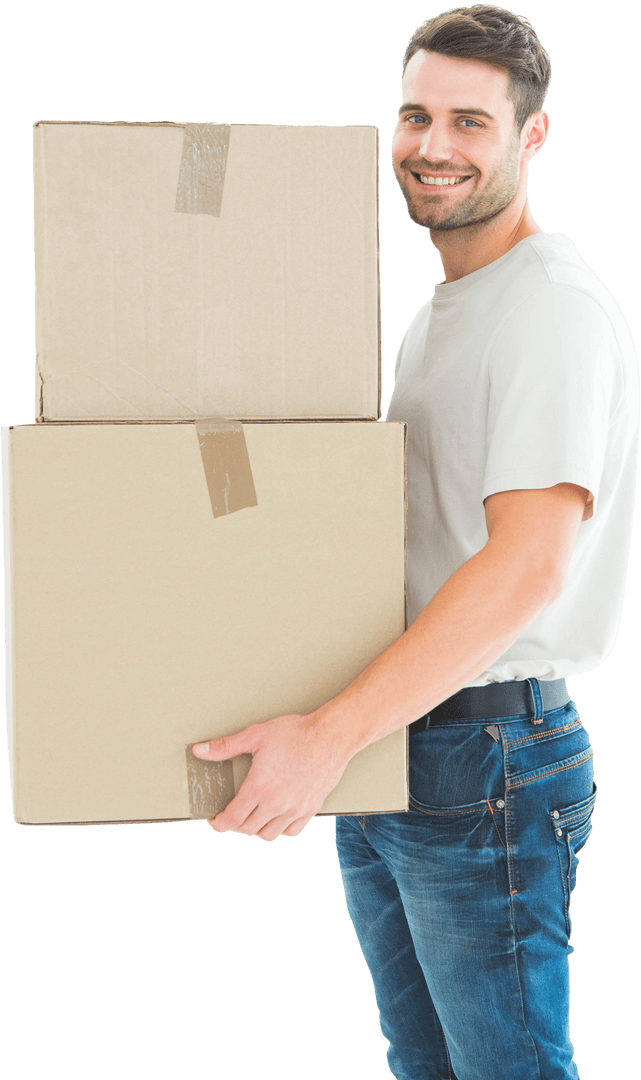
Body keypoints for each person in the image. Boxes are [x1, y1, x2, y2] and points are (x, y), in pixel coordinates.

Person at [191, 5, 639, 1077]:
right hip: (408, 745)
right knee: (425, 1067)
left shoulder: (548, 310)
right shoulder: (445, 308)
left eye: (469, 123)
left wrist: (331, 733)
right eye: (414, 116)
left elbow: (526, 565)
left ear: (529, 138)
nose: (432, 147)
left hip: (482, 759)